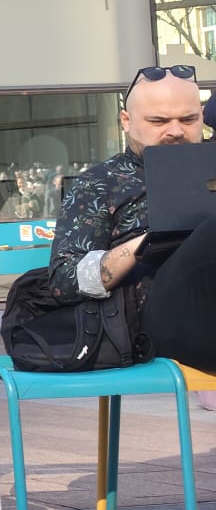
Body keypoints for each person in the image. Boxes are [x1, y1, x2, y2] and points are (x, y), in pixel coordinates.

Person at [48, 64, 216, 373]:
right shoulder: (99, 184)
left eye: (188, 119)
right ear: (126, 121)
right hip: (153, 325)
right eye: (158, 121)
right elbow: (64, 281)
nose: (176, 131)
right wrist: (144, 243)